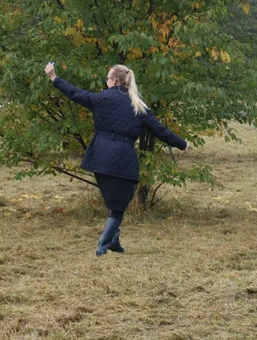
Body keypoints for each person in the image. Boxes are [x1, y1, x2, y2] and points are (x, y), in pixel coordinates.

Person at [46, 62, 188, 256]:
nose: (106, 82)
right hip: (123, 159)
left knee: (113, 202)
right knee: (119, 206)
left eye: (107, 78)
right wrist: (182, 144)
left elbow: (75, 93)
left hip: (99, 156)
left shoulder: (102, 98)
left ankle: (114, 243)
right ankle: (102, 246)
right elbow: (160, 130)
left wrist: (55, 78)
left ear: (114, 80)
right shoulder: (138, 105)